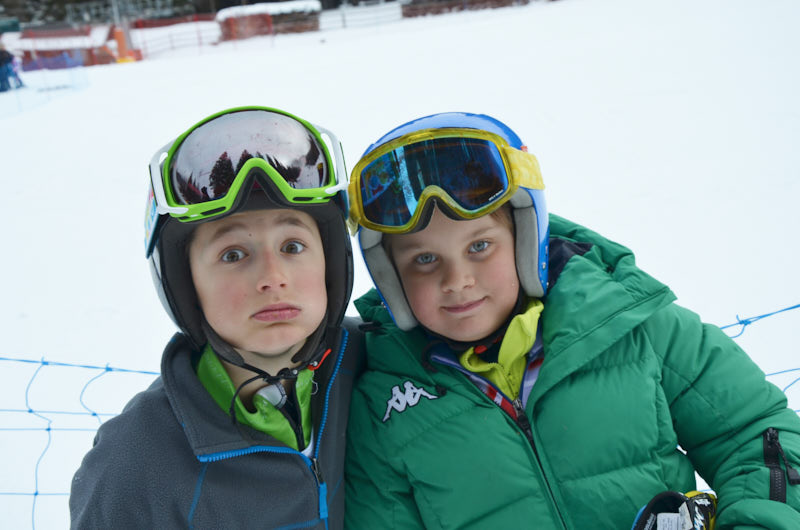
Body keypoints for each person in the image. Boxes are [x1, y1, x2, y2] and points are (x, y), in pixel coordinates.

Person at [343, 112, 800, 528]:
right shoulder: (381, 408)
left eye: (480, 246)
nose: (457, 281)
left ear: (526, 241)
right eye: (424, 259)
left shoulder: (635, 326)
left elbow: (757, 436)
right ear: (391, 279)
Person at [70, 106, 362, 528]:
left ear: (330, 262)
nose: (273, 278)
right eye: (233, 254)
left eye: (293, 247)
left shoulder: (374, 364)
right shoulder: (135, 463)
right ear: (187, 286)